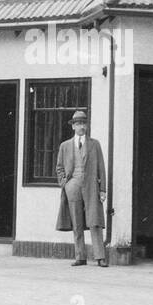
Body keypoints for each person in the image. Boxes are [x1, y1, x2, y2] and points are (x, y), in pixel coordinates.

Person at [55, 109, 107, 266]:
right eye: (78, 124)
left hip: (91, 187)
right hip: (73, 187)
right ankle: (80, 256)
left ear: (87, 125)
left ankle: (100, 257)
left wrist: (103, 189)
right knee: (76, 222)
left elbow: (101, 169)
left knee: (94, 221)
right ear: (73, 127)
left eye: (84, 123)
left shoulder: (94, 144)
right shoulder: (65, 146)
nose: (81, 127)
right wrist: (65, 183)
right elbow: (59, 167)